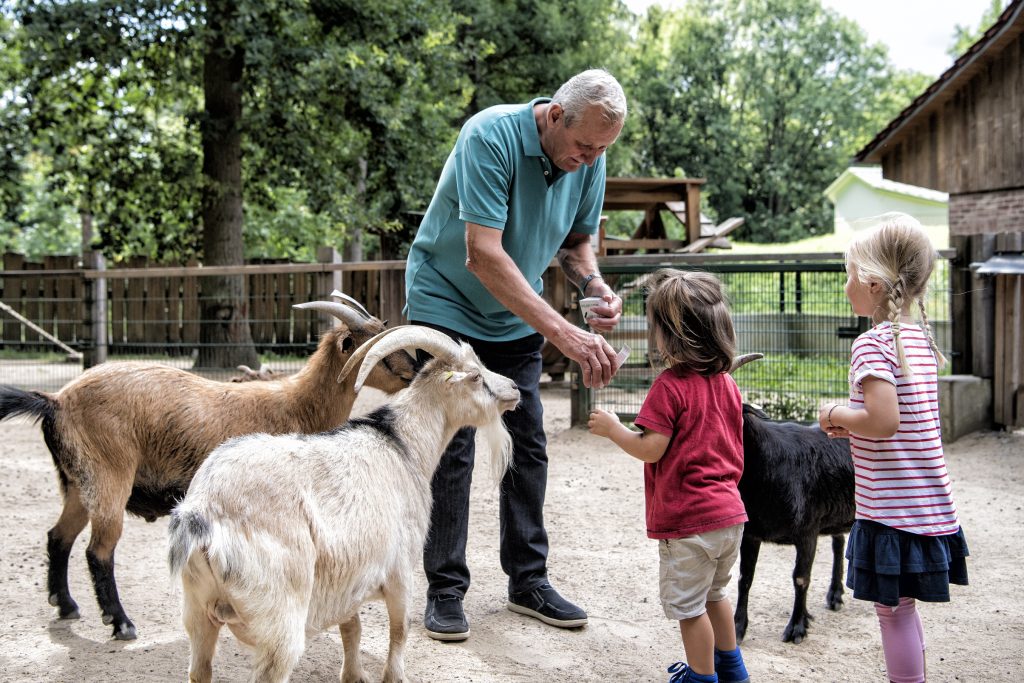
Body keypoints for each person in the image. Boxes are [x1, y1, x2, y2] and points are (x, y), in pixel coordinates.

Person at [404, 69, 627, 641]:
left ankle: (528, 581)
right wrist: (566, 335)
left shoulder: (590, 157)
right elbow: (482, 253)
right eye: (585, 145)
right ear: (555, 115)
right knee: (454, 449)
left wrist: (593, 287)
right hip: (446, 302)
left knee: (527, 440)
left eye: (602, 148)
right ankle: (445, 590)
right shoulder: (490, 138)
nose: (592, 157)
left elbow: (578, 243)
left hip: (514, 311)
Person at [819, 213, 969, 683]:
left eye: (850, 276)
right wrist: (857, 427)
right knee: (902, 610)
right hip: (928, 504)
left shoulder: (873, 344)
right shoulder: (921, 342)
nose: (846, 287)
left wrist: (836, 414)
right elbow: (900, 422)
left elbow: (883, 421)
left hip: (892, 511)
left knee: (894, 613)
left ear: (875, 285)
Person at [588, 269, 750, 683]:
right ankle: (733, 671)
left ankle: (700, 677)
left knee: (689, 609)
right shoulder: (727, 383)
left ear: (672, 334)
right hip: (730, 516)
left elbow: (650, 448)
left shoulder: (670, 386)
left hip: (689, 521)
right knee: (715, 595)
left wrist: (613, 429)